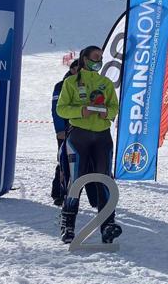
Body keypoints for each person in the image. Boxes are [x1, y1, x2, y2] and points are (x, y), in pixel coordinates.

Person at [57, 45, 121, 244]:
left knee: (104, 180)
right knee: (76, 180)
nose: (99, 61)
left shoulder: (106, 83)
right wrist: (80, 112)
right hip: (79, 137)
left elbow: (114, 107)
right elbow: (61, 109)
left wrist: (107, 113)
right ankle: (68, 226)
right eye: (95, 57)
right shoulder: (71, 83)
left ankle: (107, 225)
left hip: (102, 137)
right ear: (84, 59)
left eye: (101, 57)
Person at [51, 59, 79, 206]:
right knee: (64, 161)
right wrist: (60, 129)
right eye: (78, 68)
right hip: (66, 131)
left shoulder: (87, 84)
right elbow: (56, 109)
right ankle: (59, 193)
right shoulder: (61, 85)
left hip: (83, 130)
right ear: (73, 69)